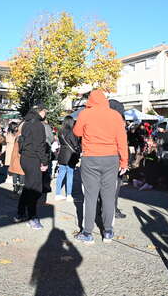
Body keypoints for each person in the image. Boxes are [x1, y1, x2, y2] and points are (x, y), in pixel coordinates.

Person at [73, 90, 128, 244]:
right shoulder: (115, 115)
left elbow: (77, 132)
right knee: (109, 196)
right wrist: (124, 161)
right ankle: (108, 231)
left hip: (90, 157)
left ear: (90, 100)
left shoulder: (85, 113)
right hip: (111, 158)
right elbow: (122, 140)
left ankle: (87, 233)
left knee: (90, 196)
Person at [14, 104, 50, 230]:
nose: (45, 114)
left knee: (28, 187)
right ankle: (32, 217)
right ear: (40, 111)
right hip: (33, 158)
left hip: (25, 157)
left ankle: (20, 213)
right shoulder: (37, 124)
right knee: (35, 189)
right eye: (45, 111)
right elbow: (40, 146)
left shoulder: (26, 122)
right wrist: (44, 162)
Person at [55, 116, 80, 202]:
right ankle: (69, 195)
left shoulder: (60, 131)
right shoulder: (71, 132)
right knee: (70, 175)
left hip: (62, 154)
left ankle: (57, 194)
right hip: (70, 156)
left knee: (61, 175)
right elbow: (75, 144)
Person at [8, 122, 25, 198]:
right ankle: (20, 189)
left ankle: (15, 188)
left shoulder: (16, 135)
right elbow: (22, 148)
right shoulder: (22, 136)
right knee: (21, 172)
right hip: (20, 155)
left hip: (14, 155)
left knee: (15, 171)